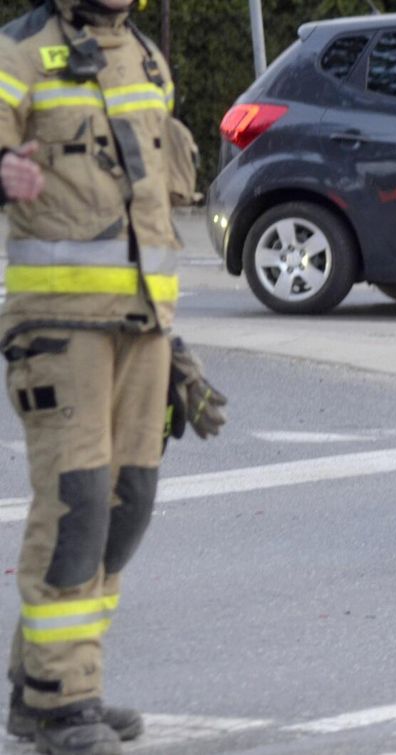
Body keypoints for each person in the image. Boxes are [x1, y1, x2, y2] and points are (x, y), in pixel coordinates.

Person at [0, 1, 225, 753]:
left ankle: (43, 683)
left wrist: (176, 345)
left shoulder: (144, 58)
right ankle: (65, 696)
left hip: (144, 326)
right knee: (78, 504)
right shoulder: (20, 51)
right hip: (58, 330)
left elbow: (148, 213)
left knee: (127, 507)